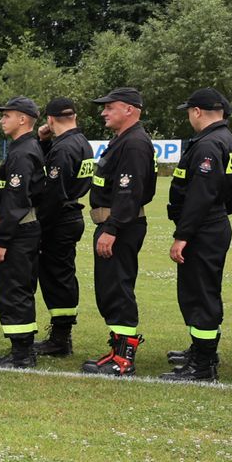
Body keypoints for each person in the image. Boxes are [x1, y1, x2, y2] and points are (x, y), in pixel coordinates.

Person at [160, 89, 232, 382]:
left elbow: (201, 194)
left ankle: (203, 365)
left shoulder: (208, 144)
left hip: (204, 227)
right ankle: (201, 351)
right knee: (202, 292)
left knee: (201, 295)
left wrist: (184, 234)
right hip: (214, 223)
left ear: (197, 112)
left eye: (188, 111)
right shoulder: (227, 140)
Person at [83, 87, 157, 375]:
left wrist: (112, 228)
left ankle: (124, 357)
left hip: (121, 226)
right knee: (109, 287)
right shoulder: (123, 140)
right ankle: (117, 349)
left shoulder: (135, 143)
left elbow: (129, 192)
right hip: (113, 224)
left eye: (110, 107)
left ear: (129, 109)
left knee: (118, 287)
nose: (104, 112)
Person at [0, 97, 46, 368]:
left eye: (7, 115)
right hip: (24, 229)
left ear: (23, 119)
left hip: (18, 231)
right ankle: (21, 350)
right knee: (18, 288)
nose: (2, 120)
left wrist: (2, 240)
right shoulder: (27, 147)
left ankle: (22, 354)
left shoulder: (22, 152)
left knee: (14, 289)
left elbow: (16, 199)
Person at [32, 98, 93, 357]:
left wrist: (38, 225)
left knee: (56, 279)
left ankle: (60, 338)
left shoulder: (64, 148)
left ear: (50, 119)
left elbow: (54, 192)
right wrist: (44, 141)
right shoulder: (82, 144)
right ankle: (61, 336)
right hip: (72, 214)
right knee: (63, 276)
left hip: (59, 219)